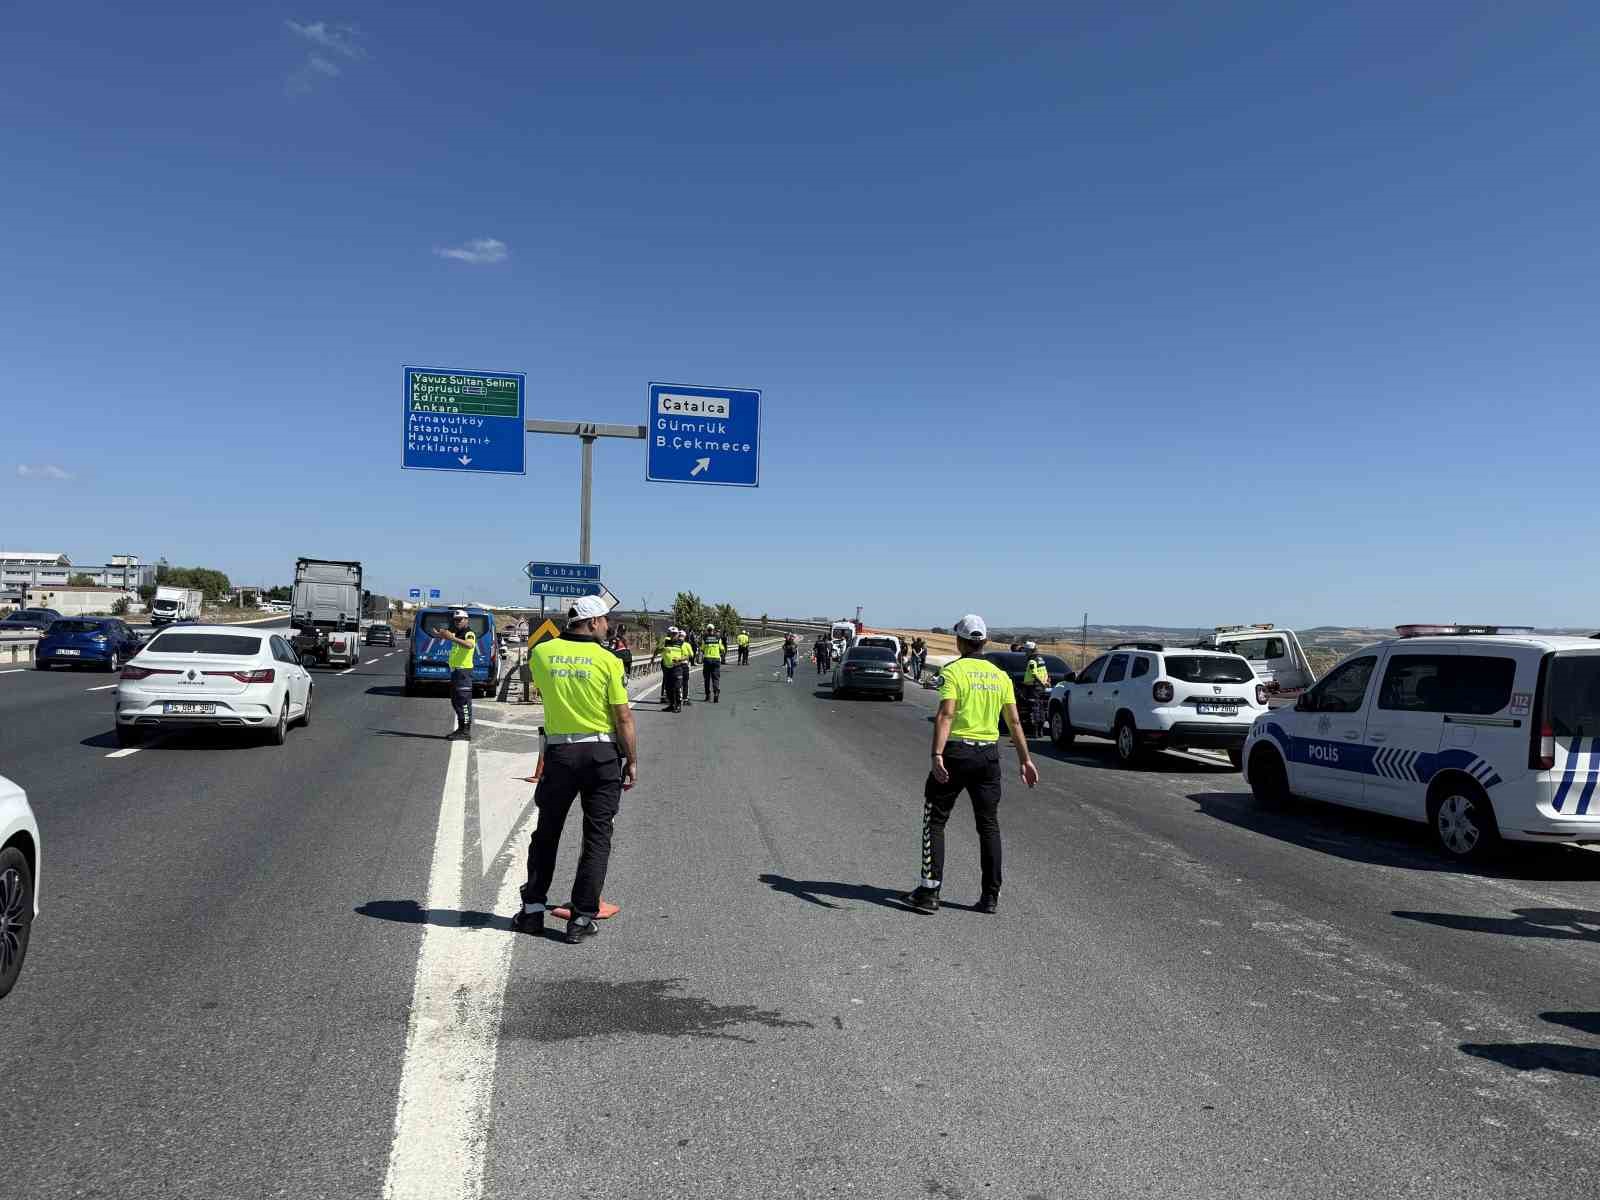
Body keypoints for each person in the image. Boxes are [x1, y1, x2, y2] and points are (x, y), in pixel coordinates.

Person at [511, 595, 638, 944]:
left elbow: (540, 686)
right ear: (594, 622)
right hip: (601, 754)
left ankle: (533, 911)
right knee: (597, 836)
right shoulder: (609, 660)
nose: (608, 626)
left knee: (547, 833)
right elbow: (622, 716)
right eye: (605, 621)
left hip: (560, 753)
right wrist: (632, 760)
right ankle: (581, 919)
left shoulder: (541, 653)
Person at [902, 613, 1038, 917]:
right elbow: (1014, 721)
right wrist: (1025, 759)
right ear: (985, 642)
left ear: (960, 641)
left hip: (956, 754)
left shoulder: (954, 672)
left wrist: (937, 754)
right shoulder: (1000, 676)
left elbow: (946, 715)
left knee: (935, 821)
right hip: (988, 757)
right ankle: (990, 897)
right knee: (988, 825)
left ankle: (929, 892)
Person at [429, 609, 478, 740]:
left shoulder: (469, 633)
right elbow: (449, 636)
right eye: (455, 620)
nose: (457, 622)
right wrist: (440, 634)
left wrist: (452, 638)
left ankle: (465, 731)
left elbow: (469, 645)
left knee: (464, 701)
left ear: (466, 620)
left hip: (463, 672)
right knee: (456, 700)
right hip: (456, 671)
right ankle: (461, 729)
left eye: (460, 619)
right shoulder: (458, 632)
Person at [1020, 640, 1050, 731]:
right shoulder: (1040, 659)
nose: (1024, 652)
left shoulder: (1032, 661)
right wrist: (1046, 682)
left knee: (1034, 707)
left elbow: (1034, 674)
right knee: (1040, 707)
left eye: (1025, 650)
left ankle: (1035, 729)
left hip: (1033, 687)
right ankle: (1040, 727)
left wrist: (1041, 682)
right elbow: (1045, 672)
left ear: (1030, 651)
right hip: (1040, 687)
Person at [660, 627, 683, 711]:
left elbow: (687, 656)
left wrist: (680, 659)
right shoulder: (665, 642)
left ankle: (678, 705)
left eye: (675, 634)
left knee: (677, 687)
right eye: (671, 633)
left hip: (677, 668)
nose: (673, 635)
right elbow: (659, 650)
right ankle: (671, 705)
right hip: (667, 668)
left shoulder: (681, 643)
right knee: (668, 688)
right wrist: (653, 657)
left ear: (677, 634)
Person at [701, 622, 725, 702]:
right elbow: (722, 648)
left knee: (707, 679)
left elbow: (702, 649)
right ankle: (716, 693)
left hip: (707, 660)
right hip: (716, 660)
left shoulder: (705, 638)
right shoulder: (718, 638)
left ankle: (708, 695)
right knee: (715, 678)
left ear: (707, 630)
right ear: (713, 630)